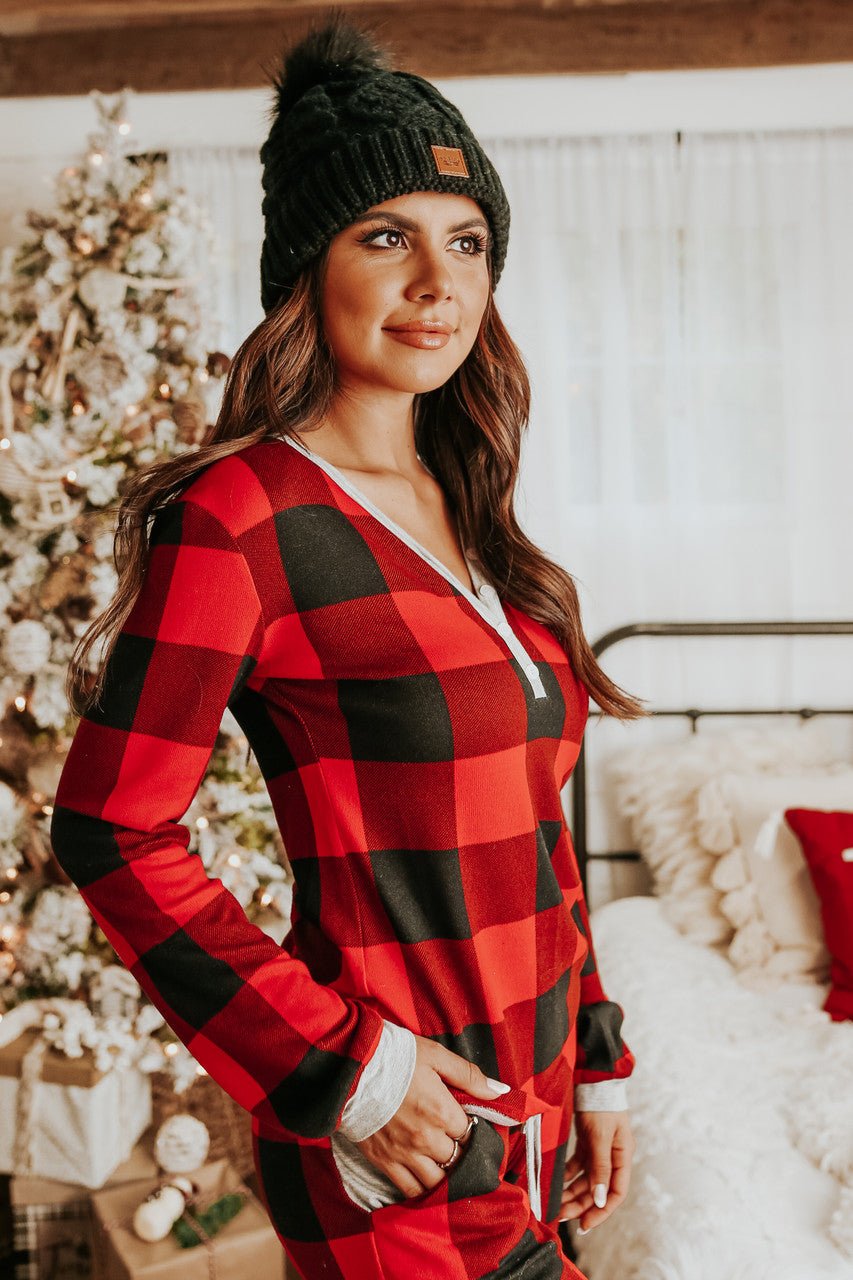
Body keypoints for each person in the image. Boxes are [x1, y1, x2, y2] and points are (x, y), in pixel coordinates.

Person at [50, 15, 647, 1279]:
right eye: (388, 235)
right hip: (403, 1152)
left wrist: (597, 1056)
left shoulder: (475, 508)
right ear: (307, 268)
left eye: (468, 242)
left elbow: (540, 835)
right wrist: (345, 1068)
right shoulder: (243, 517)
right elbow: (109, 827)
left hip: (529, 1134)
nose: (441, 281)